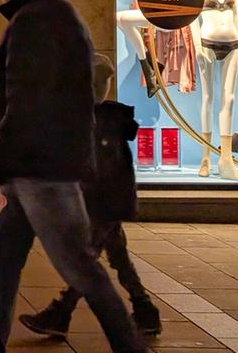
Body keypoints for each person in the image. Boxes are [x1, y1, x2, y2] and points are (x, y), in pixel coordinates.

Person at [0, 0, 147, 353]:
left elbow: (25, 104)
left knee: (80, 267)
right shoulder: (57, 16)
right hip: (36, 170)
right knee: (5, 257)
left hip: (42, 172)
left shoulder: (35, 23)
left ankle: (130, 347)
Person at [18, 54, 162, 339]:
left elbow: (100, 172)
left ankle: (61, 311)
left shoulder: (101, 123)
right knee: (118, 259)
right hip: (107, 205)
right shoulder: (100, 119)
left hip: (103, 206)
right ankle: (145, 311)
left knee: (85, 261)